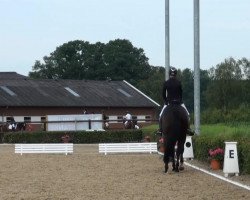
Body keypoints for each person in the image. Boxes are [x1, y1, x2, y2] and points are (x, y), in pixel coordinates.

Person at [158, 67, 194, 136]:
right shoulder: (179, 83)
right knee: (187, 115)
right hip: (178, 102)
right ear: (176, 74)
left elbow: (163, 94)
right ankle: (188, 129)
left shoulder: (166, 83)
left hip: (169, 102)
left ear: (169, 74)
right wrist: (180, 101)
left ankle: (160, 130)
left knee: (161, 115)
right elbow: (181, 93)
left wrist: (166, 101)